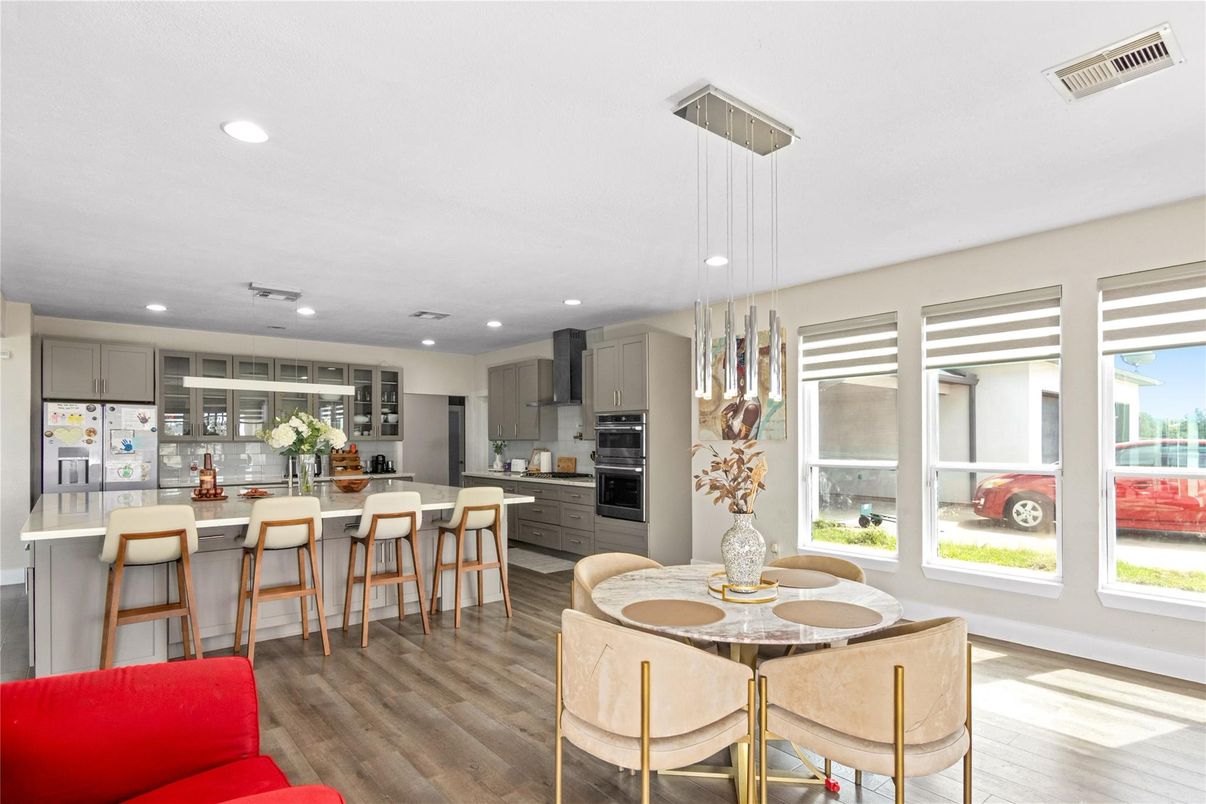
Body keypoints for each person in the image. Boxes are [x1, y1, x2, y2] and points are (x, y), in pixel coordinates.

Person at [721, 339, 762, 440]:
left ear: (742, 374)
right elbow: (725, 443)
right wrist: (724, 421)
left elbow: (739, 446)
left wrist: (725, 422)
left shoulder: (751, 407)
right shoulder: (740, 399)